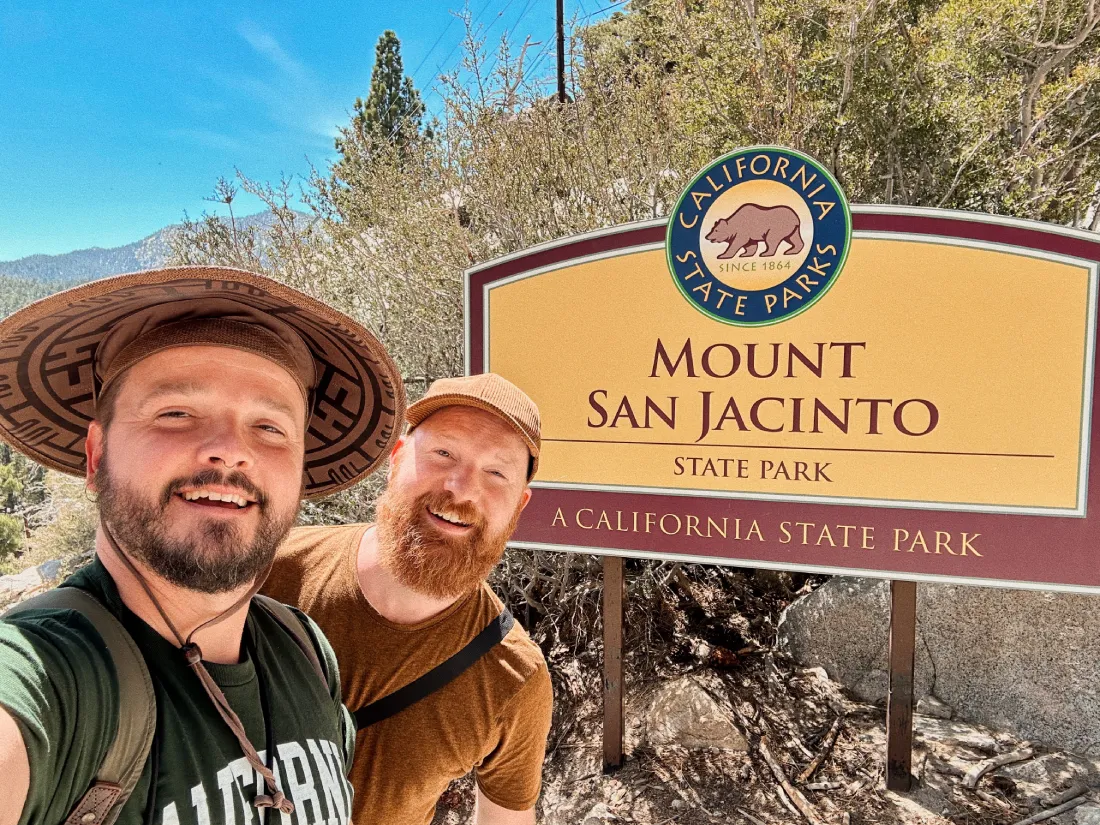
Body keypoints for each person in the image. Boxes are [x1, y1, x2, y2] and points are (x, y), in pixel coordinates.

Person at [0, 265, 405, 825]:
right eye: (176, 413)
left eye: (269, 427)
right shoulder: (49, 680)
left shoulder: (307, 653)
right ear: (97, 457)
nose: (228, 451)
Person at [263, 373, 554, 825]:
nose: (461, 488)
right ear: (397, 459)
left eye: (497, 473)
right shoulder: (268, 572)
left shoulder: (513, 678)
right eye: (443, 453)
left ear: (519, 506)